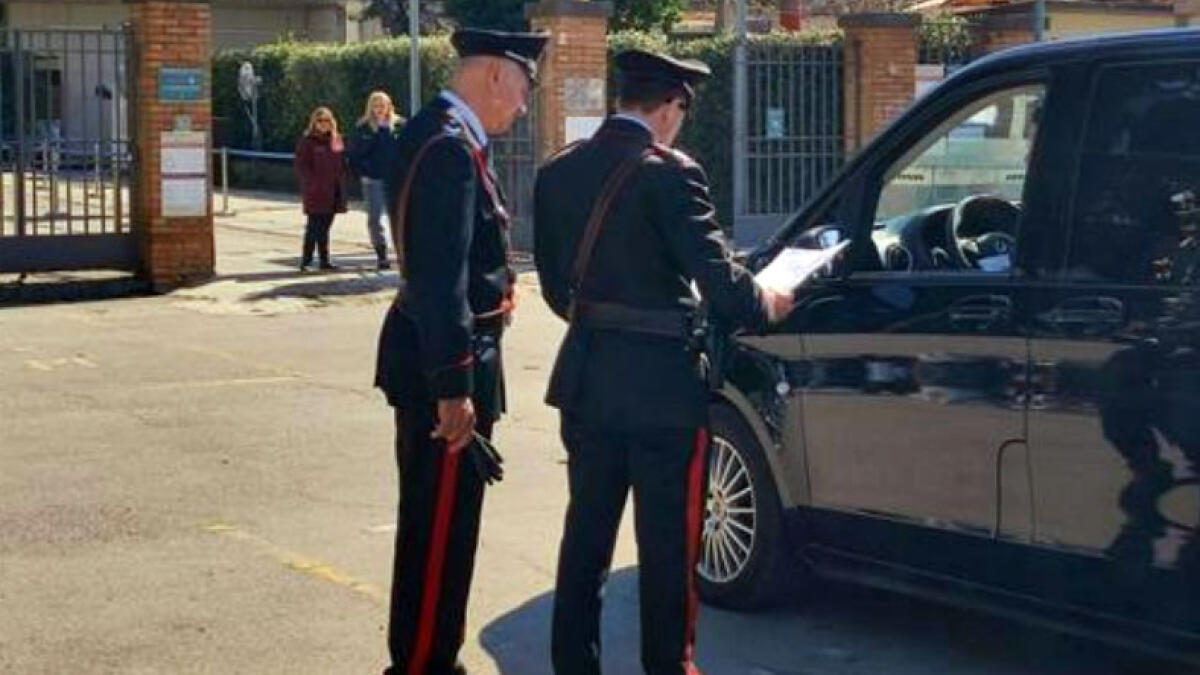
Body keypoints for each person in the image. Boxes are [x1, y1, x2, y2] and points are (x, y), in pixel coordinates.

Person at [533, 49, 794, 675]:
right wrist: (771, 298)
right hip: (661, 394)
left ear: (624, 99)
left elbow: (552, 288)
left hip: (588, 378)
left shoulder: (558, 171)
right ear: (671, 107)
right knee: (669, 552)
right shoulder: (671, 174)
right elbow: (725, 290)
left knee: (584, 545)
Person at [373, 27, 548, 675]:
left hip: (443, 358)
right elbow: (440, 275)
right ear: (496, 74)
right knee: (439, 531)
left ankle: (427, 655)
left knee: (437, 526)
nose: (524, 105)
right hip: (445, 369)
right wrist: (454, 388)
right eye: (524, 88)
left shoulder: (441, 133)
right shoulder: (449, 147)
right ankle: (422, 663)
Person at [349, 90, 405, 270]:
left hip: (395, 179)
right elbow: (355, 154)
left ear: (389, 106)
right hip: (373, 179)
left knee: (399, 217)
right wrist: (364, 171)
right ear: (370, 107)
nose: (379, 109)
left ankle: (402, 253)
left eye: (382, 105)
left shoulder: (400, 125)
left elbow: (406, 150)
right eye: (375, 105)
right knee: (375, 218)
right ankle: (381, 254)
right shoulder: (363, 127)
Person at [294, 106, 347, 271]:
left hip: (333, 191)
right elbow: (301, 166)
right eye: (320, 120)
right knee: (313, 227)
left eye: (327, 120)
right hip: (316, 193)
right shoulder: (307, 141)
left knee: (325, 227)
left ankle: (325, 260)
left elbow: (341, 162)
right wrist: (311, 184)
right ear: (314, 123)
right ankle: (306, 260)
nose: (324, 124)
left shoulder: (336, 140)